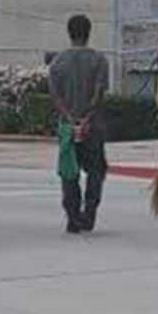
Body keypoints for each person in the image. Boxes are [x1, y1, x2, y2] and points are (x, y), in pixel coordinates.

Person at [48, 14, 109, 234]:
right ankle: (89, 213)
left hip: (67, 126)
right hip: (94, 126)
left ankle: (72, 217)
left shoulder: (57, 63)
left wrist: (71, 119)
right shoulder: (99, 60)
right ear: (89, 32)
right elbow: (99, 92)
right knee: (96, 170)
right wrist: (87, 118)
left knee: (69, 171)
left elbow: (55, 97)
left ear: (69, 32)